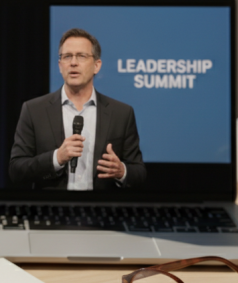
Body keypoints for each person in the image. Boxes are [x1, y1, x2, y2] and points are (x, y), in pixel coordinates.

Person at [9, 28, 145, 190]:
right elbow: (16, 170)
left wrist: (121, 171)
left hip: (101, 212)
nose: (73, 62)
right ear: (60, 66)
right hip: (52, 211)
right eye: (67, 56)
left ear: (96, 65)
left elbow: (139, 173)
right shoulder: (34, 110)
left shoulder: (121, 113)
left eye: (81, 56)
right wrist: (56, 158)